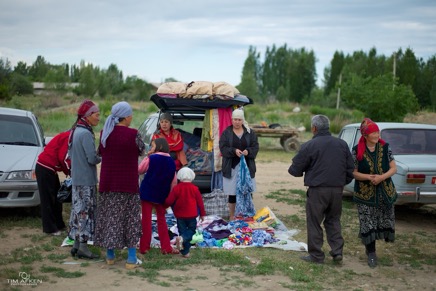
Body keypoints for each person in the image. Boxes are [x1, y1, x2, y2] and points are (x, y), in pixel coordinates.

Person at [288, 115, 354, 264]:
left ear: (314, 128)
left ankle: (316, 255)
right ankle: (337, 251)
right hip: (337, 189)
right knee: (333, 220)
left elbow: (294, 170)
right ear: (328, 127)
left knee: (314, 222)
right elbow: (350, 169)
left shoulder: (309, 145)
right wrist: (342, 183)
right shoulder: (342, 144)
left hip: (318, 190)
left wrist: (303, 171)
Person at [94, 101, 146, 269]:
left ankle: (110, 256)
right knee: (130, 220)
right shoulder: (133, 134)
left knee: (110, 218)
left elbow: (100, 153)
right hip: (129, 185)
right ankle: (131, 258)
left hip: (108, 184)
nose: (132, 118)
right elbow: (141, 150)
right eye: (131, 115)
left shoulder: (104, 134)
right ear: (126, 117)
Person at [352, 118, 397, 268]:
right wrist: (368, 177)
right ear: (366, 136)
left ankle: (372, 249)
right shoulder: (356, 150)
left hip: (385, 192)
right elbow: (353, 172)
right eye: (374, 133)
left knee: (384, 220)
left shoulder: (385, 148)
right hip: (365, 194)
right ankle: (371, 253)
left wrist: (381, 177)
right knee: (367, 223)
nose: (377, 135)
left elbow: (393, 168)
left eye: (378, 132)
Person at [68, 99, 101, 259]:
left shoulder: (76, 131)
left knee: (77, 211)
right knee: (84, 213)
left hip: (77, 179)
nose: (98, 117)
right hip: (86, 181)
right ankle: (82, 247)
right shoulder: (86, 134)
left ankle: (75, 244)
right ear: (88, 116)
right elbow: (92, 159)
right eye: (96, 114)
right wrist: (102, 155)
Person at [138, 138, 179, 255]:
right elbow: (174, 182)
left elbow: (140, 170)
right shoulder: (171, 161)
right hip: (162, 194)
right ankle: (166, 247)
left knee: (146, 220)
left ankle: (144, 247)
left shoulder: (152, 158)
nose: (150, 149)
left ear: (159, 147)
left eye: (152, 146)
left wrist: (147, 156)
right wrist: (170, 196)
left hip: (147, 192)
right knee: (162, 220)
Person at [219, 108, 259, 221]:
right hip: (231, 166)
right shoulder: (226, 132)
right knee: (232, 193)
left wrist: (248, 152)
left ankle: (247, 215)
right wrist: (234, 151)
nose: (237, 122)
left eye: (239, 120)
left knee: (247, 191)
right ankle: (232, 216)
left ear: (243, 120)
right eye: (235, 119)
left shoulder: (250, 133)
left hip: (247, 167)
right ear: (232, 120)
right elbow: (223, 148)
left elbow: (255, 146)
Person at [35, 129, 71, 236]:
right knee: (48, 199)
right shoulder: (69, 137)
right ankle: (49, 228)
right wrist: (71, 171)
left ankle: (59, 224)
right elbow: (63, 157)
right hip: (45, 167)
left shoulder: (68, 135)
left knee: (56, 198)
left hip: (50, 168)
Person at [164, 167, 206, 258]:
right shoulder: (195, 189)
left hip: (180, 216)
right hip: (191, 215)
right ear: (192, 176)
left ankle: (185, 252)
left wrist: (163, 204)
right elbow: (200, 203)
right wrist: (202, 214)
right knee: (191, 231)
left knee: (182, 231)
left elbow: (169, 201)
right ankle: (184, 248)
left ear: (179, 176)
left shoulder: (176, 188)